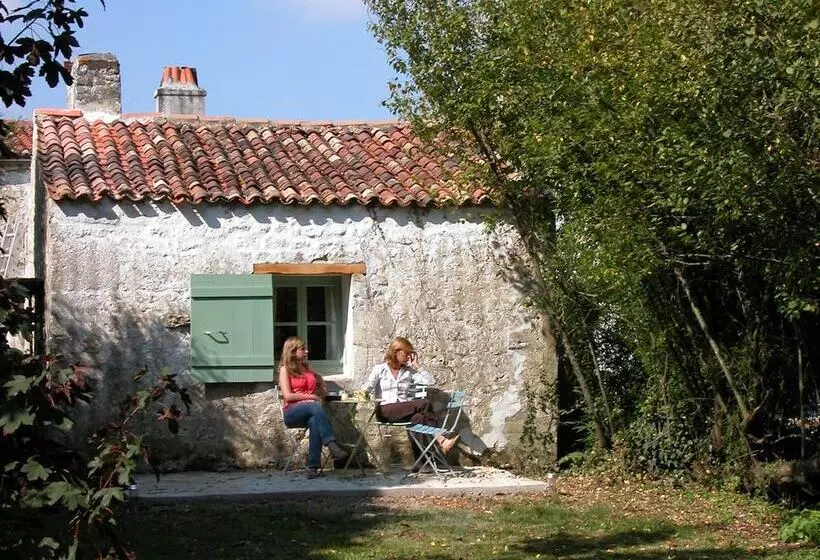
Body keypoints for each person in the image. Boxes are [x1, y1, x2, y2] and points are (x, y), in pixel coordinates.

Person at [359, 337, 459, 471]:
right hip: (385, 410)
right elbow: (367, 387)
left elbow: (430, 382)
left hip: (404, 412)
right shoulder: (380, 369)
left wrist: (417, 366)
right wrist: (362, 394)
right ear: (396, 352)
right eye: (406, 353)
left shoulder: (408, 371)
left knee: (418, 419)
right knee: (424, 403)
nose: (409, 357)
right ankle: (441, 439)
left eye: (410, 354)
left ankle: (421, 463)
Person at [278, 336, 348, 479]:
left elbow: (322, 392)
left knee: (315, 421)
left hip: (311, 410)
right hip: (292, 412)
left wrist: (320, 381)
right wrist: (311, 397)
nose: (307, 351)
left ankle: (313, 467)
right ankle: (332, 444)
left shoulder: (307, 368)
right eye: (302, 349)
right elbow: (288, 396)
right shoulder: (285, 370)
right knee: (314, 406)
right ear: (292, 351)